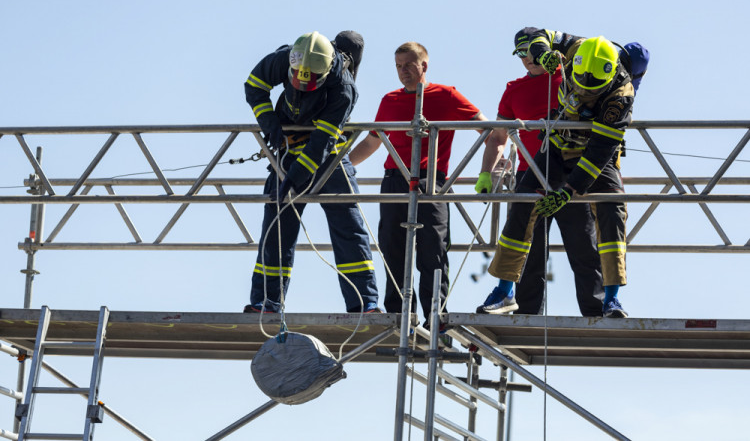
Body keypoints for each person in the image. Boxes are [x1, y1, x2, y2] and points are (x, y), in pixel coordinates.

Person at [476, 28, 635, 318]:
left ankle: (610, 300)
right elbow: (542, 35)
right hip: (557, 144)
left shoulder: (620, 96)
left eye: (591, 90)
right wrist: (542, 52)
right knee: (522, 206)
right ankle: (504, 291)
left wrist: (568, 191)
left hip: (593, 156)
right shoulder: (576, 47)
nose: (583, 93)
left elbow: (600, 151)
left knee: (612, 209)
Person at [349, 41, 490, 322]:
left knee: (433, 250)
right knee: (393, 249)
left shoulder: (446, 95)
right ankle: (399, 318)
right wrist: (342, 167)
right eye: (398, 66)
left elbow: (488, 129)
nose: (403, 72)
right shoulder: (390, 100)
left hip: (432, 182)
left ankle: (436, 318)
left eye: (408, 65)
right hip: (394, 181)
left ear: (423, 65)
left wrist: (491, 167)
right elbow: (372, 142)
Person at [243, 30, 380, 314]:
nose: (302, 84)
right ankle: (267, 303)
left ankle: (363, 304)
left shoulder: (344, 88)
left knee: (349, 228)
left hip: (329, 155)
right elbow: (254, 85)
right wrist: (268, 120)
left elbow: (322, 141)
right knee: (276, 230)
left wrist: (294, 177)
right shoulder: (286, 58)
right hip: (287, 150)